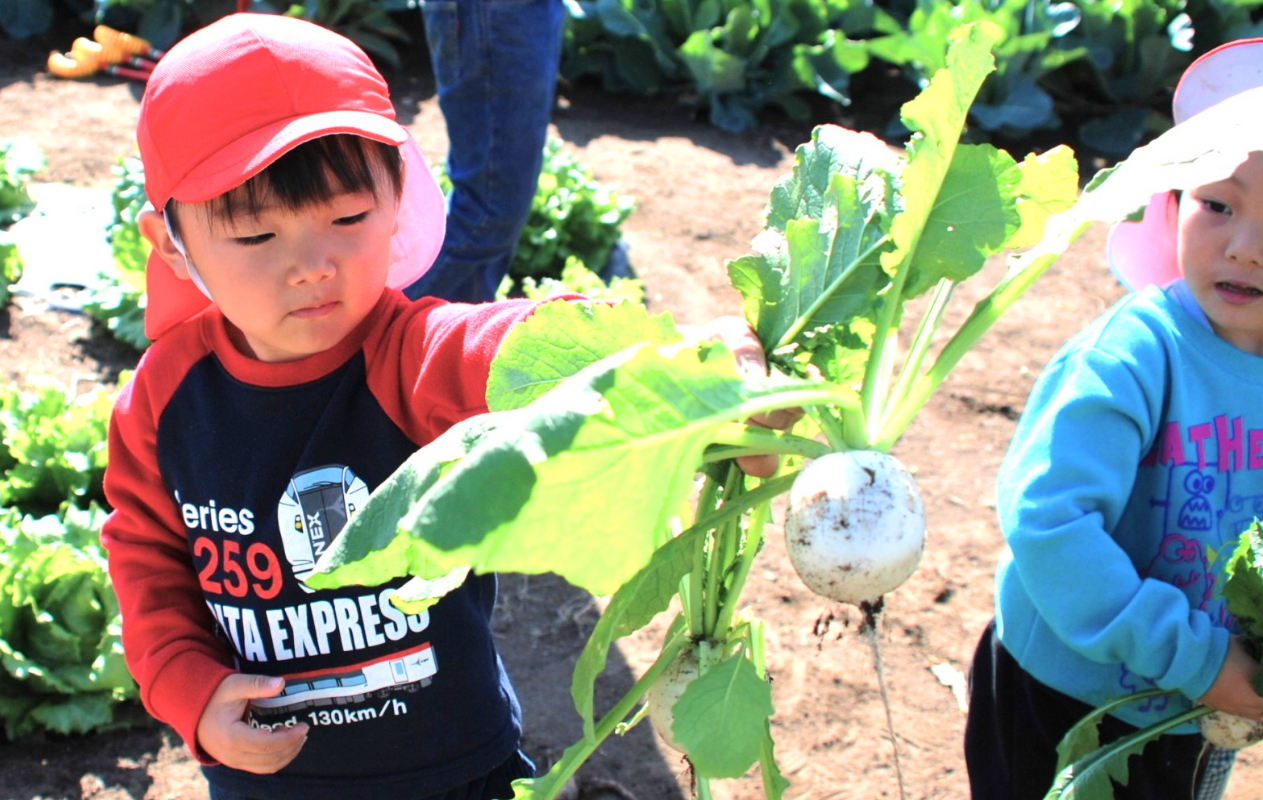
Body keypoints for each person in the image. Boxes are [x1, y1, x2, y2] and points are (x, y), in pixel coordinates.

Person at [97, 14, 784, 800]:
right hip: (267, 781)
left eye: (348, 218)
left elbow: (515, 351)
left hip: (457, 771)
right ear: (171, 243)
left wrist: (687, 370)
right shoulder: (162, 402)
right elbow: (148, 566)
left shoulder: (408, 357)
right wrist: (190, 692)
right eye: (257, 237)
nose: (312, 266)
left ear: (397, 195)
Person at [965, 36, 1263, 800]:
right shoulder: (1133, 355)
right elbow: (1050, 523)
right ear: (1178, 197)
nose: (1246, 248)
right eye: (1217, 205)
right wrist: (1197, 659)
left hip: (1198, 708)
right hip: (1063, 691)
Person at [404, 0, 565, 303]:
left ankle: (455, 341)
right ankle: (363, 339)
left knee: (493, 209)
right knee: (487, 211)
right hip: (495, 11)